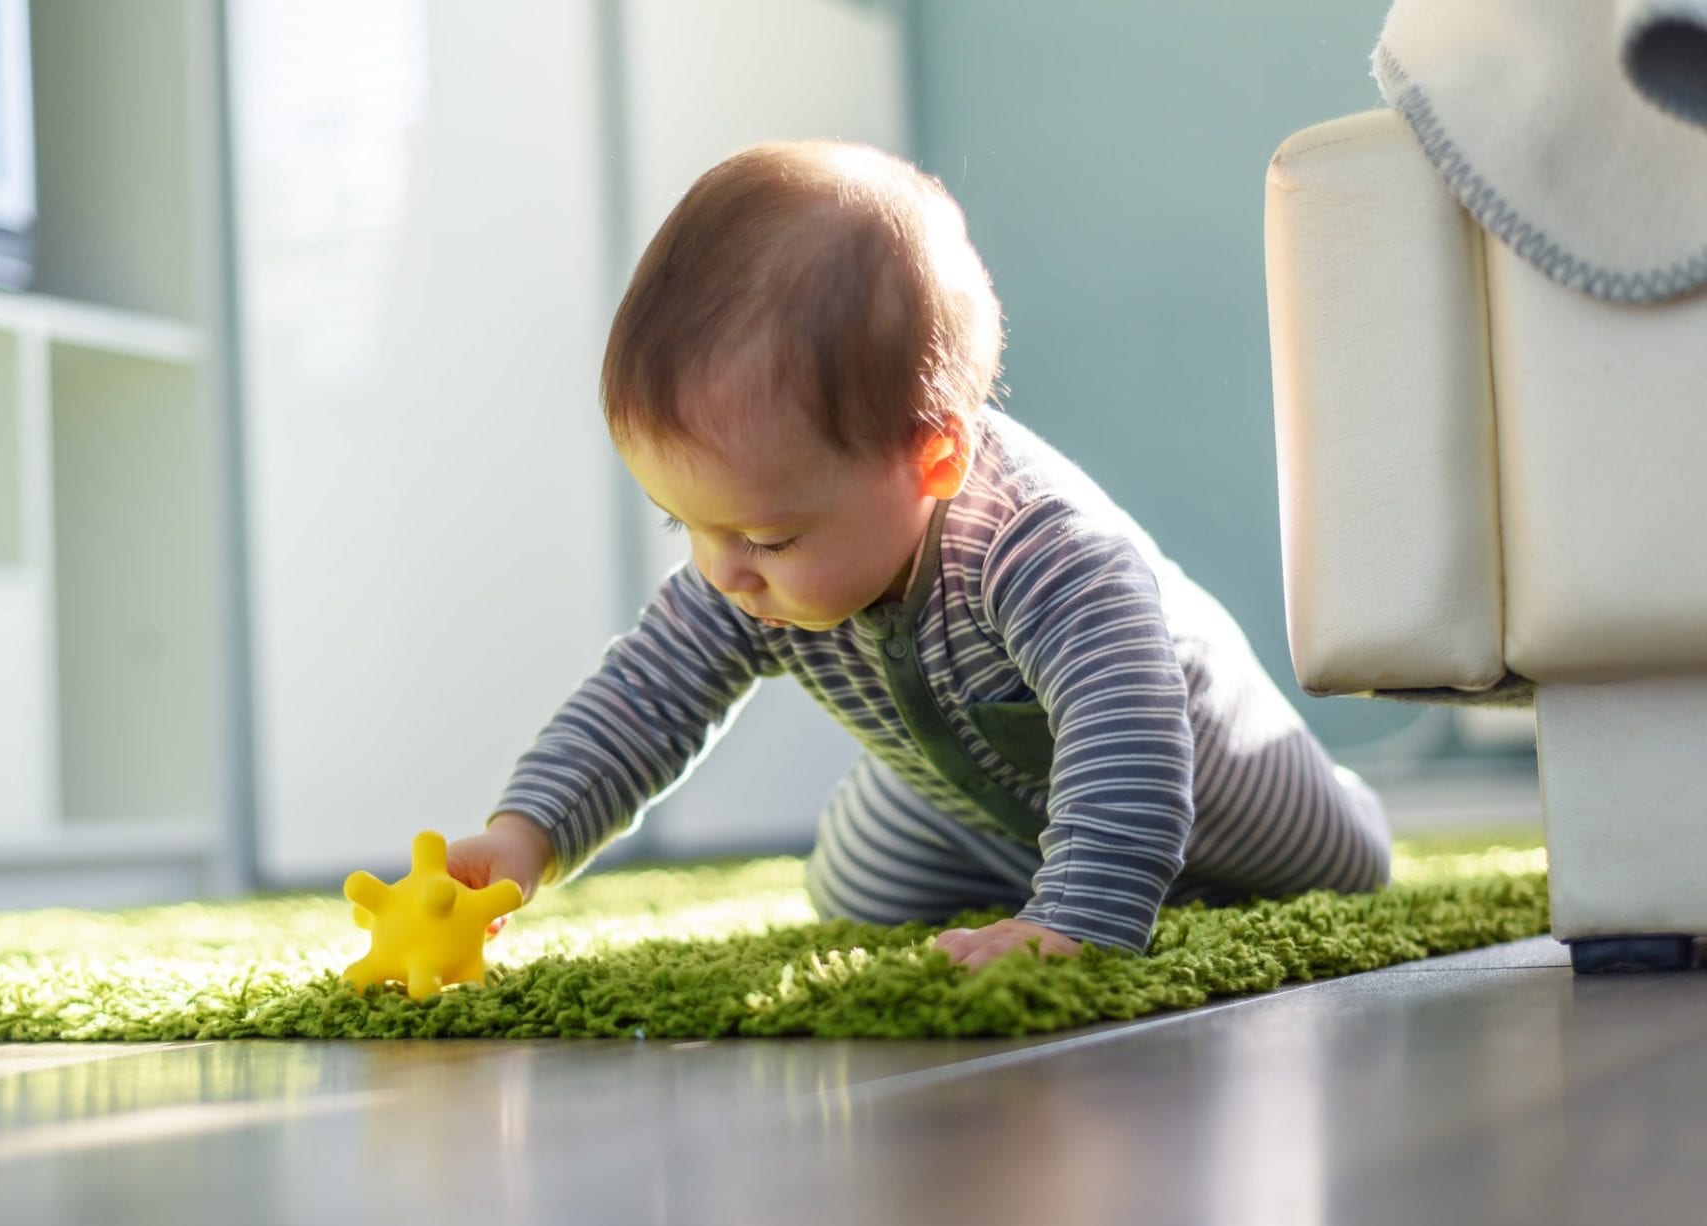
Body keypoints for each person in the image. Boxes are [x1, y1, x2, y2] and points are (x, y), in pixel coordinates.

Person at [445, 139, 1393, 969]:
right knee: (852, 886)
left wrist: (1080, 921)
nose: (722, 570)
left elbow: (1127, 728)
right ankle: (1036, 867)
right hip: (972, 801)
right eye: (681, 524)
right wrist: (526, 835)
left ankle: (1126, 873)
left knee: (1341, 865)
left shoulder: (1044, 549)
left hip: (1202, 778)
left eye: (767, 538)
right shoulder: (745, 570)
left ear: (932, 458)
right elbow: (643, 699)